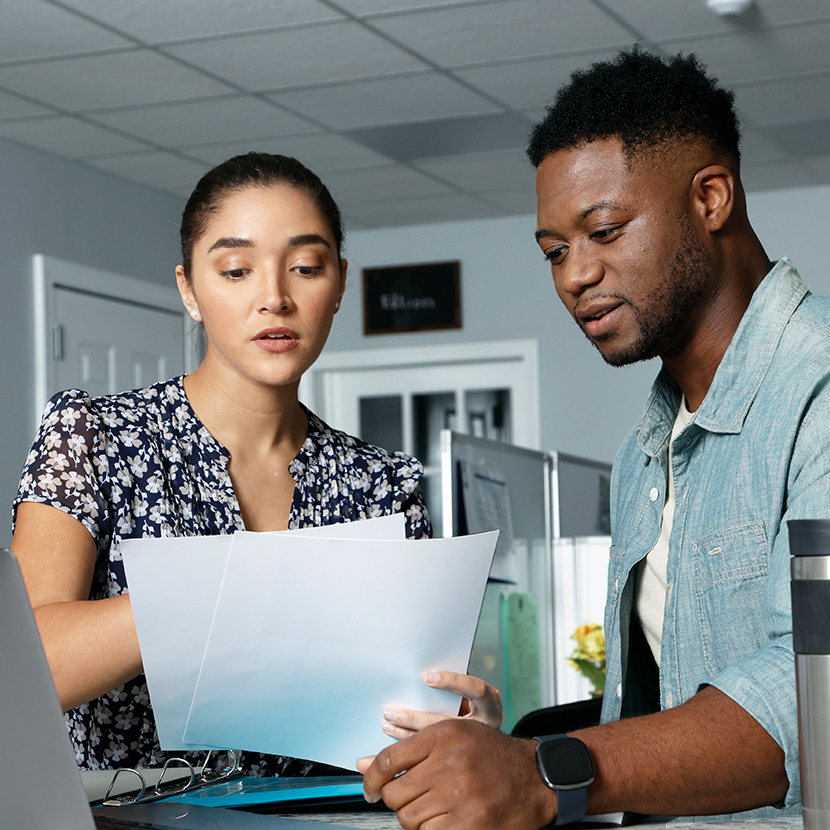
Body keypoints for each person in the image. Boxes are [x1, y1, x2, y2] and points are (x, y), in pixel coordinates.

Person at [358, 48, 830, 827]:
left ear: (711, 197)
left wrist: (544, 771)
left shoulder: (816, 389)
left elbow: (812, 698)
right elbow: (656, 729)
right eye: (553, 251)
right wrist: (499, 757)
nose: (574, 276)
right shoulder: (647, 447)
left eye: (604, 231)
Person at [9, 152, 442, 775]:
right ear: (190, 289)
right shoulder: (94, 436)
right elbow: (26, 667)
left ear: (340, 283)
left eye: (305, 267)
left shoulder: (384, 485)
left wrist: (458, 727)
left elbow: (405, 711)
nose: (274, 297)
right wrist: (227, 588)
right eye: (237, 270)